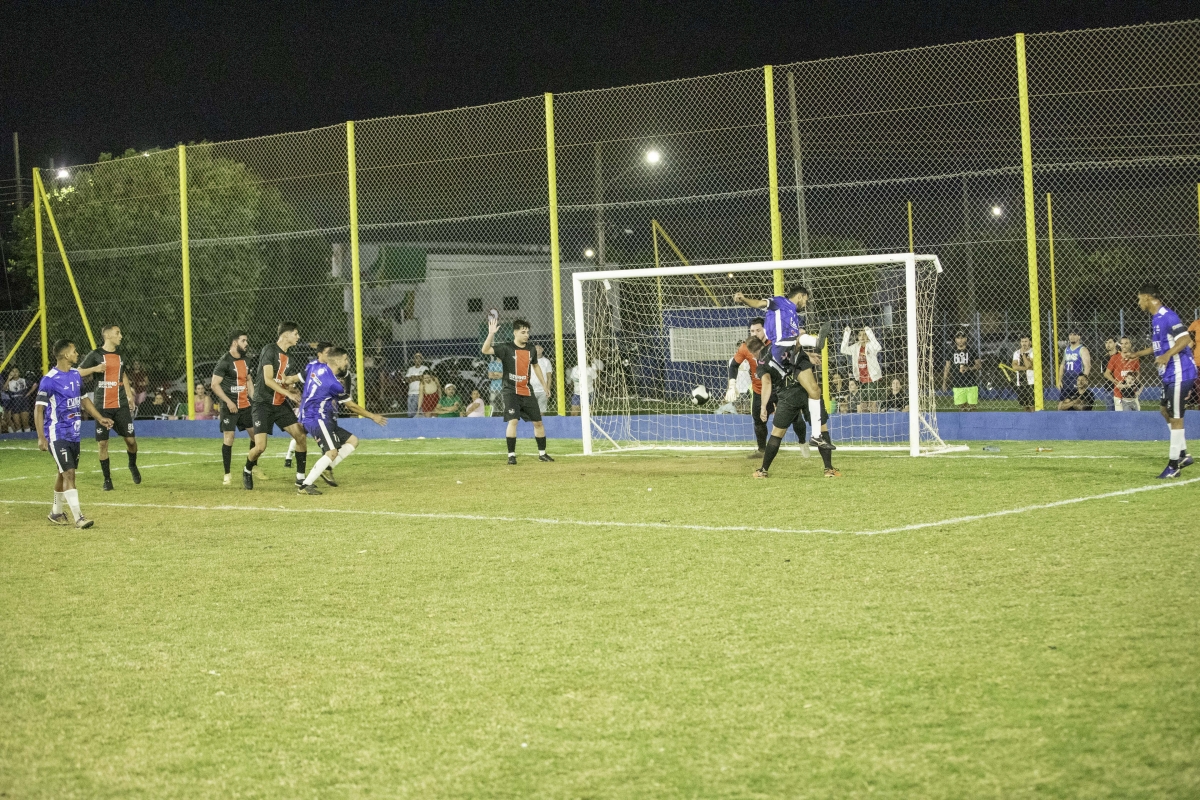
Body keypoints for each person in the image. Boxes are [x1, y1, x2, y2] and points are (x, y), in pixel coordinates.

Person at [732, 285, 833, 451]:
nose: (805, 304)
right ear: (800, 296)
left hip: (789, 352)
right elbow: (759, 303)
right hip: (779, 347)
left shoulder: (794, 315)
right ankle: (816, 342)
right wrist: (743, 299)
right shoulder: (780, 302)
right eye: (805, 300)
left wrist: (807, 355)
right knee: (800, 336)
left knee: (814, 391)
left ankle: (816, 436)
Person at [35, 339, 115, 529]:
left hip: (74, 434)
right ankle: (79, 518)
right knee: (69, 473)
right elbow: (39, 409)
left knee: (63, 473)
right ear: (65, 355)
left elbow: (84, 400)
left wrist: (100, 418)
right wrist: (41, 437)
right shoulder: (49, 380)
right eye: (74, 351)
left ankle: (56, 512)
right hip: (57, 433)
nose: (77, 354)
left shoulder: (75, 375)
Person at [746, 336, 839, 479]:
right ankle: (829, 469)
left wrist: (763, 406)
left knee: (777, 434)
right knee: (821, 428)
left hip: (787, 395)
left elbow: (767, 383)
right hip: (806, 388)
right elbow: (794, 350)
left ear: (753, 353)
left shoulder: (761, 364)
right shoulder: (777, 346)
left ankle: (763, 471)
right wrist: (809, 354)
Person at [297, 347, 387, 495]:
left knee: (353, 441)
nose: (347, 362)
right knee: (331, 452)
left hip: (318, 417)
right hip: (317, 418)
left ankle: (327, 467)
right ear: (337, 361)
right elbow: (351, 406)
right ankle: (305, 485)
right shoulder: (334, 384)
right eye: (345, 359)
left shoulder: (318, 368)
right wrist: (373, 416)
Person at [1134, 284, 1195, 478]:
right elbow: (1158, 346)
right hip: (1169, 374)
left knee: (1176, 417)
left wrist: (1167, 355)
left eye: (1139, 298)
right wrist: (1137, 354)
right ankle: (1183, 454)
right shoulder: (1156, 319)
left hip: (1180, 372)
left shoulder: (1168, 316)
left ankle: (1173, 466)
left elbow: (1185, 339)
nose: (1138, 302)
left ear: (1147, 297)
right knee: (1164, 410)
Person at [77, 324, 141, 491]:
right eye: (117, 333)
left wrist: (129, 395)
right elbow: (78, 372)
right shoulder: (95, 355)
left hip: (120, 404)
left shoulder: (121, 355)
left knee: (131, 441)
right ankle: (107, 479)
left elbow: (123, 374)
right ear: (107, 335)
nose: (121, 336)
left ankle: (132, 464)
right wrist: (95, 369)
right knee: (103, 444)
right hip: (102, 406)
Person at [482, 315, 553, 464]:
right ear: (515, 333)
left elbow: (535, 366)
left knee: (538, 422)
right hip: (511, 390)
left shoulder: (531, 349)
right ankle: (511, 456)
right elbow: (485, 350)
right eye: (523, 332)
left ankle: (542, 454)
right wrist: (491, 333)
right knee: (513, 421)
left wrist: (544, 385)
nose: (526, 335)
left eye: (528, 332)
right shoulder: (506, 348)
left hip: (526, 390)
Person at [245, 322, 308, 490]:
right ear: (285, 334)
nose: (298, 337)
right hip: (262, 404)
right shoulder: (269, 349)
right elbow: (268, 379)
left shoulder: (290, 359)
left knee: (300, 436)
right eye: (296, 333)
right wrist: (288, 393)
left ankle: (301, 479)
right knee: (260, 447)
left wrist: (294, 391)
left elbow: (284, 381)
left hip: (279, 404)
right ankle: (247, 469)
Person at [211, 330, 255, 486]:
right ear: (235, 343)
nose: (246, 343)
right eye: (243, 341)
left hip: (245, 405)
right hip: (229, 407)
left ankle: (252, 467)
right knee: (229, 438)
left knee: (256, 437)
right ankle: (227, 474)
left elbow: (248, 380)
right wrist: (228, 402)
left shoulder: (247, 360)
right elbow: (214, 384)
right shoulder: (224, 362)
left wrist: (254, 399)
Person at [725, 317, 771, 459]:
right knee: (758, 420)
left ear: (765, 330)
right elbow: (734, 365)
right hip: (758, 390)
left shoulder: (774, 343)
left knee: (793, 417)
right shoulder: (745, 347)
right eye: (752, 331)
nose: (755, 334)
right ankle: (762, 450)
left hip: (777, 389)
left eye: (758, 330)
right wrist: (732, 385)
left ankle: (804, 442)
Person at [285, 342, 333, 470]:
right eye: (328, 352)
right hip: (310, 408)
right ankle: (290, 458)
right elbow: (299, 379)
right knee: (301, 434)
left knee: (307, 434)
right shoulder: (312, 366)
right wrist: (287, 381)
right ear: (320, 354)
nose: (331, 355)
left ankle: (324, 464)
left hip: (324, 407)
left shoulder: (331, 367)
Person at [840, 326, 882, 412]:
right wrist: (847, 333)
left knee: (872, 404)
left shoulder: (871, 345)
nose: (862, 337)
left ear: (868, 336)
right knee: (862, 406)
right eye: (860, 335)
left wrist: (869, 331)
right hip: (861, 379)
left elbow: (878, 347)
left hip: (872, 378)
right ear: (857, 337)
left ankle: (875, 419)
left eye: (864, 334)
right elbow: (843, 350)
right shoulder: (855, 347)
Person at [942, 331, 980, 410]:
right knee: (962, 408)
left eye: (962, 338)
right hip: (957, 383)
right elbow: (947, 367)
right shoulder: (951, 351)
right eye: (958, 338)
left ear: (966, 339)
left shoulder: (972, 350)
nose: (960, 340)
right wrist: (944, 382)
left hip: (971, 383)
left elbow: (978, 365)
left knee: (973, 407)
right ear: (955, 340)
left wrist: (968, 368)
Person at [1104, 336, 1141, 412]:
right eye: (1122, 343)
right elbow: (1106, 374)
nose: (1124, 346)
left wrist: (1136, 385)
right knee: (1121, 416)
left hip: (1132, 395)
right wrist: (1117, 383)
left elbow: (1137, 374)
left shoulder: (1135, 358)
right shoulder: (1114, 358)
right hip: (1119, 395)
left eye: (1126, 343)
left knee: (1136, 416)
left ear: (1130, 344)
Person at [1058, 329, 1090, 397]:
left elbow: (1087, 366)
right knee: (1063, 402)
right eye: (1070, 334)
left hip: (1077, 380)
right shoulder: (1066, 350)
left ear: (1079, 337)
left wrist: (1083, 380)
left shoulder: (1082, 349)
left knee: (1076, 401)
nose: (1072, 337)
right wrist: (1059, 380)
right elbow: (1062, 365)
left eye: (1074, 334)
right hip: (1066, 380)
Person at [1012, 335, 1036, 412]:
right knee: (1025, 407)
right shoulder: (1016, 353)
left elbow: (1028, 365)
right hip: (1020, 382)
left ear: (1030, 342)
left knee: (1032, 406)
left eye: (1026, 341)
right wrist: (1026, 368)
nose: (1024, 343)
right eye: (1022, 341)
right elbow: (1014, 367)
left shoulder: (1033, 351)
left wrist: (1023, 355)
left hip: (1032, 382)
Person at [5, 366, 32, 431]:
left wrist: (28, 393)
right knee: (17, 424)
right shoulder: (9, 382)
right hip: (14, 404)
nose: (15, 373)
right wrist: (8, 378)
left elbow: (35, 384)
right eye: (13, 371)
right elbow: (4, 388)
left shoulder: (23, 380)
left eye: (16, 371)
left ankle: (28, 435)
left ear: (19, 373)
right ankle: (19, 435)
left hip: (24, 403)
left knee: (25, 422)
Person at [529, 344, 553, 413]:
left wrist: (548, 389)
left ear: (542, 350)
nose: (538, 350)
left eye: (540, 348)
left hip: (543, 390)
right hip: (531, 390)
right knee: (531, 411)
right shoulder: (529, 361)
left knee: (541, 412)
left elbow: (549, 377)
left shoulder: (546, 361)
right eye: (536, 348)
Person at [405, 353, 428, 418]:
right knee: (411, 415)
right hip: (411, 394)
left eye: (419, 358)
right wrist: (419, 377)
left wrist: (413, 377)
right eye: (416, 358)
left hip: (421, 393)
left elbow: (425, 377)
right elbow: (407, 380)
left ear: (421, 360)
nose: (417, 359)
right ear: (414, 360)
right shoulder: (410, 369)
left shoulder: (425, 368)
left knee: (422, 414)